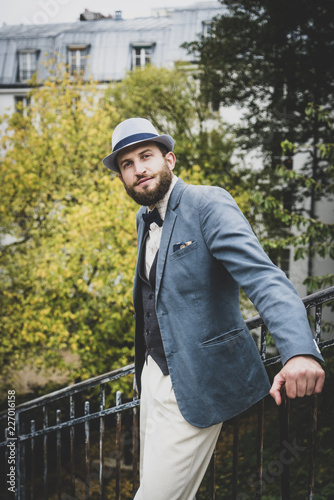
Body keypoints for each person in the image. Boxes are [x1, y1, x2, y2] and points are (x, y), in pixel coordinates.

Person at [102, 117, 325, 500]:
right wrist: (147, 374)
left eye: (146, 156)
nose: (138, 169)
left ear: (169, 160)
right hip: (152, 378)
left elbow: (263, 277)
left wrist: (300, 351)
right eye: (127, 164)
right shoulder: (144, 217)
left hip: (197, 380)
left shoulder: (207, 203)